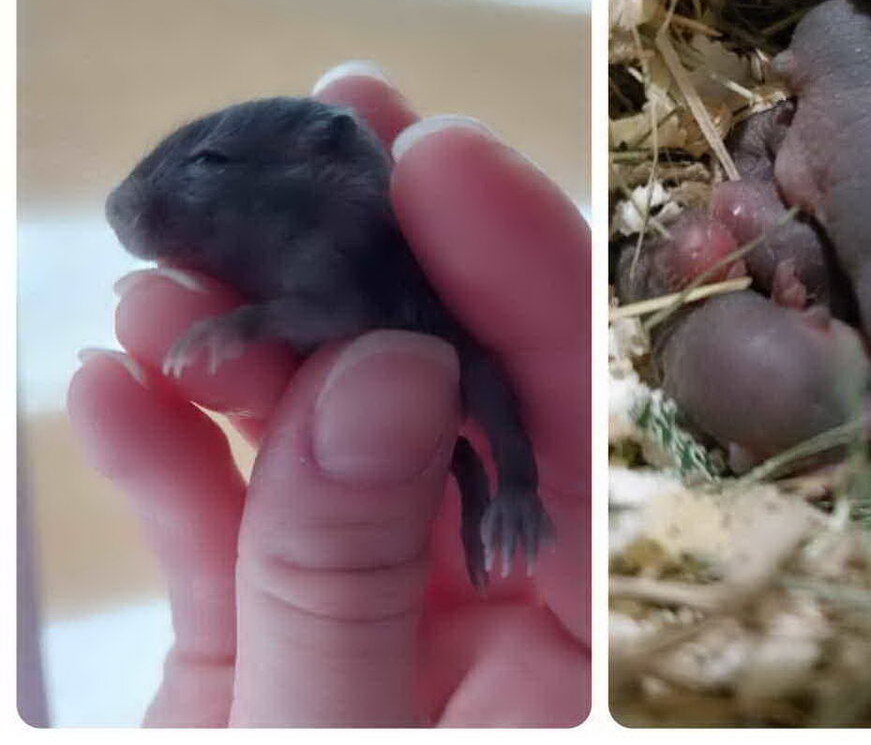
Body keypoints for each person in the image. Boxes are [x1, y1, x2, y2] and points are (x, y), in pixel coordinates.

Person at [66, 63, 590, 727]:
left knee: (483, 378)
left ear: (325, 151)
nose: (131, 206)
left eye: (208, 162)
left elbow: (336, 307)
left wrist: (251, 323)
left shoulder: (340, 231)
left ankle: (511, 487)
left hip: (431, 362)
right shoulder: (284, 254)